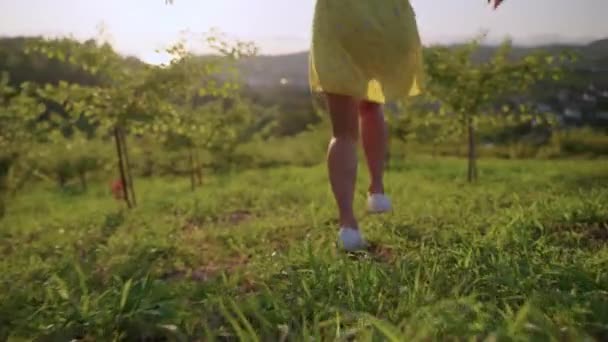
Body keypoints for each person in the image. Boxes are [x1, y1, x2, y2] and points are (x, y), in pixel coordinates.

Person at [309, 0, 505, 251]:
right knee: (372, 105)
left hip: (339, 21)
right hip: (387, 22)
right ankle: (377, 191)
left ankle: (348, 225)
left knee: (343, 133)